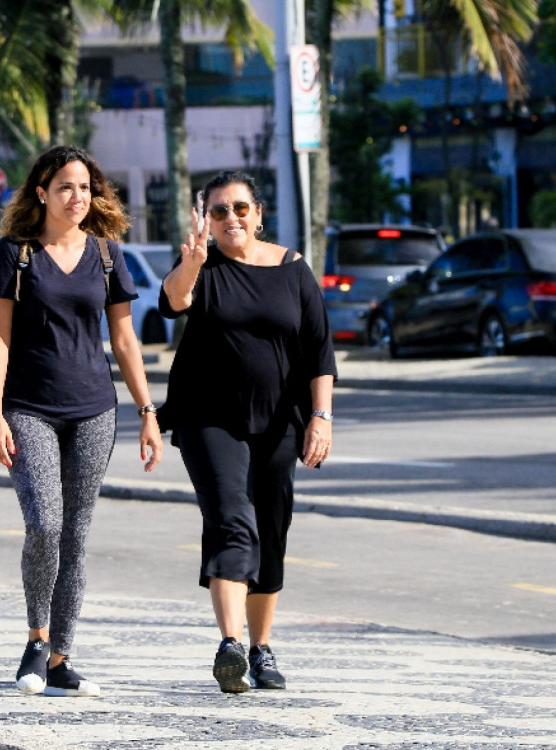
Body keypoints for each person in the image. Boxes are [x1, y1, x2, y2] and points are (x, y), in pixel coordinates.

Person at [0, 145, 163, 698]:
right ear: (42, 192)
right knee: (44, 523)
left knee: (76, 534)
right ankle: (36, 640)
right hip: (28, 408)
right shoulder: (15, 254)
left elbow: (125, 340)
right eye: (65, 186)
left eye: (85, 187)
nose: (77, 197)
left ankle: (61, 657)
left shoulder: (107, 255)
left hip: (94, 409)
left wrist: (148, 411)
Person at [157, 170, 337, 694]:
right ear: (207, 220)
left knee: (271, 530)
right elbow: (172, 301)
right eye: (218, 211)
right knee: (232, 521)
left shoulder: (293, 269)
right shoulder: (202, 265)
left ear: (258, 214)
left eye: (239, 208)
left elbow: (319, 350)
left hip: (280, 421)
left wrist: (321, 417)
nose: (230, 218)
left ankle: (261, 648)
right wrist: (191, 262)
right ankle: (230, 645)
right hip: (210, 418)